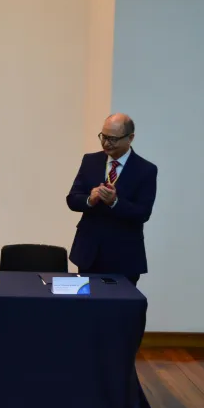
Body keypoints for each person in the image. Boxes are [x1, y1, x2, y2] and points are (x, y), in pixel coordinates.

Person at [66, 114, 157, 285]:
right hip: (89, 253)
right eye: (103, 137)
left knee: (120, 303)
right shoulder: (90, 161)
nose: (106, 143)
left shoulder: (146, 170)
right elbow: (72, 199)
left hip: (124, 257)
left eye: (113, 139)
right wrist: (90, 199)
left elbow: (143, 213)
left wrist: (115, 202)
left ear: (130, 138)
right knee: (86, 302)